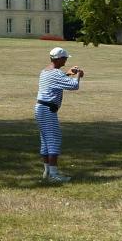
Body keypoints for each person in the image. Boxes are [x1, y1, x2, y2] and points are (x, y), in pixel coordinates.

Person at [34, 46, 85, 183]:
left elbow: (56, 81)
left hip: (41, 108)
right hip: (48, 110)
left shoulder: (45, 71)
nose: (66, 61)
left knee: (45, 141)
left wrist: (67, 74)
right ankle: (54, 175)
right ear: (59, 59)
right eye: (65, 58)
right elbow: (74, 86)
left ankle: (47, 172)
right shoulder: (56, 73)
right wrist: (79, 75)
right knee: (53, 140)